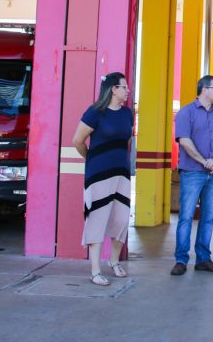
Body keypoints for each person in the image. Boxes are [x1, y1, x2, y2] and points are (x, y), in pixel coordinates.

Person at [72, 72, 133, 286]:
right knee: (97, 219)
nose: (127, 90)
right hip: (98, 174)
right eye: (124, 87)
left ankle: (114, 261)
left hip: (122, 173)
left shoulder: (127, 114)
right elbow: (78, 140)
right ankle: (95, 270)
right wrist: (90, 158)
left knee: (121, 218)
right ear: (113, 89)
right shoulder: (95, 112)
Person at [171, 75, 213, 275]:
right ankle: (181, 260)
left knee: (208, 217)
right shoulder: (186, 113)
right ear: (204, 89)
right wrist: (203, 161)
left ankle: (203, 259)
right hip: (192, 172)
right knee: (186, 217)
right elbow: (184, 141)